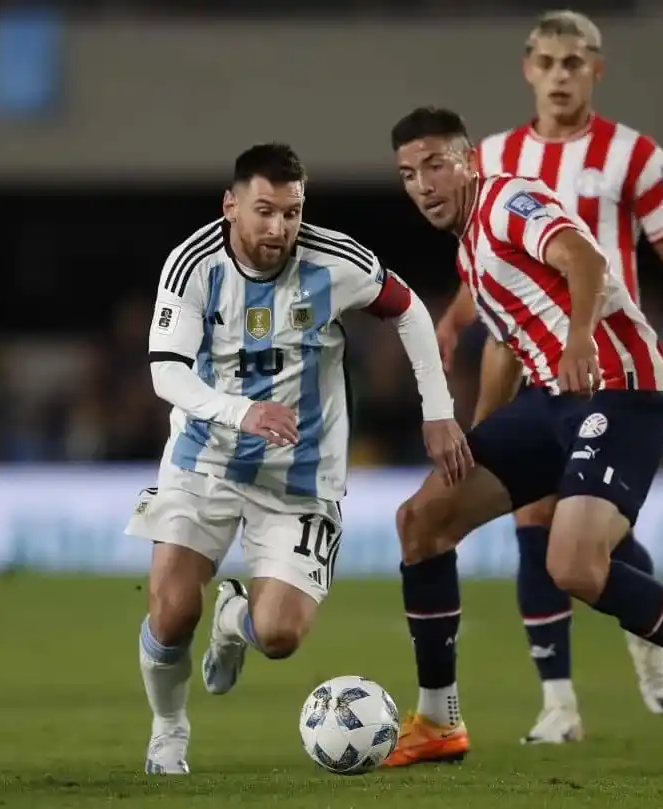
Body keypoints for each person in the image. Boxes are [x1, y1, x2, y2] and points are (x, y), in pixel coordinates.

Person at [381, 106, 663, 772]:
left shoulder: (509, 198)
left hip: (620, 388)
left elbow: (583, 257)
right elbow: (506, 347)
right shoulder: (471, 248)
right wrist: (486, 437)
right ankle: (437, 718)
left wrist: (577, 339)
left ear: (469, 159)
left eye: (434, 164)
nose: (422, 184)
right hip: (548, 401)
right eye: (407, 174)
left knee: (572, 563)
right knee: (422, 519)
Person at [125, 143, 470, 775]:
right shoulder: (192, 266)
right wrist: (242, 412)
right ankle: (168, 733)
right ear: (231, 205)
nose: (279, 227)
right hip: (207, 460)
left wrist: (438, 409)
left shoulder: (333, 260)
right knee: (172, 611)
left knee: (280, 636)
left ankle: (235, 621)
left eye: (291, 212)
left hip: (303, 479)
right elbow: (167, 374)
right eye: (264, 211)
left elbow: (411, 310)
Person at [429, 9, 663, 745]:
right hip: (520, 351)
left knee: (575, 529)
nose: (558, 75)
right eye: (546, 62)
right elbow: (488, 253)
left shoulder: (633, 156)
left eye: (573, 63)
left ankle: (645, 627)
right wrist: (457, 317)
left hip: (604, 360)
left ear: (596, 71)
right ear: (527, 68)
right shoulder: (488, 155)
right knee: (529, 511)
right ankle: (559, 705)